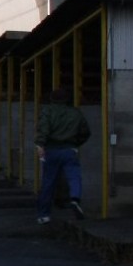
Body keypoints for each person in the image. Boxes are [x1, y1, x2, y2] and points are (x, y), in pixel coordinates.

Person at [35, 87, 92, 223]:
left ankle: (44, 215)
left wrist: (40, 144)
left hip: (51, 150)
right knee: (74, 176)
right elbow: (85, 132)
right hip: (69, 150)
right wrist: (75, 144)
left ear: (52, 99)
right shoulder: (76, 113)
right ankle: (75, 198)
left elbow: (43, 128)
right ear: (67, 100)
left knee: (48, 182)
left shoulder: (48, 111)